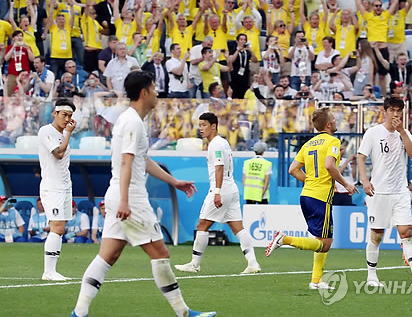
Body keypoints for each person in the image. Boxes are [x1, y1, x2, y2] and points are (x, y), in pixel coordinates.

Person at [70, 71, 215, 317]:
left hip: (120, 193)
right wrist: (126, 200)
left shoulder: (132, 120)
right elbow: (127, 162)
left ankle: (79, 313)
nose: (158, 93)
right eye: (154, 88)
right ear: (144, 92)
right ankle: (183, 312)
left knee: (108, 255)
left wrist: (174, 181)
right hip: (130, 196)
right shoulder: (133, 122)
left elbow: (142, 159)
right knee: (160, 253)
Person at [266, 107, 358, 289]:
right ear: (329, 124)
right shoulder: (333, 141)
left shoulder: (308, 144)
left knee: (322, 239)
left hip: (307, 195)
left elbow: (292, 169)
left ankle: (316, 281)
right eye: (334, 118)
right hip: (320, 198)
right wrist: (346, 183)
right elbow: (330, 166)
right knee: (325, 244)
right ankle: (285, 239)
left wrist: (310, 180)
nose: (336, 121)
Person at [357, 96, 412, 288]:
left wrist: (402, 133)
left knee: (406, 232)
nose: (396, 114)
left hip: (400, 191)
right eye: (392, 110)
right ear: (385, 111)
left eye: (399, 110)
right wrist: (364, 180)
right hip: (378, 192)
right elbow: (361, 157)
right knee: (377, 235)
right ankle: (371, 276)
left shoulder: (404, 133)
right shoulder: (373, 133)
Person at [175, 112, 261, 275]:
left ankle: (194, 264)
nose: (201, 128)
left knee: (202, 225)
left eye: (204, 125)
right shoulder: (222, 142)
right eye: (200, 125)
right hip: (231, 188)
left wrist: (217, 192)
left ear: (213, 126)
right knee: (237, 228)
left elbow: (219, 167)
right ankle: (253, 263)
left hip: (221, 188)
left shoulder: (215, 144)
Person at [38, 98, 77, 281]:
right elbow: (58, 154)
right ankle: (49, 272)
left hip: (64, 186)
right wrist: (68, 133)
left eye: (70, 115)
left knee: (60, 228)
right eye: (64, 115)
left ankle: (52, 270)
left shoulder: (63, 133)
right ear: (55, 113)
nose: (67, 119)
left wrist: (67, 133)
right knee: (57, 227)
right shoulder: (46, 131)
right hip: (52, 187)